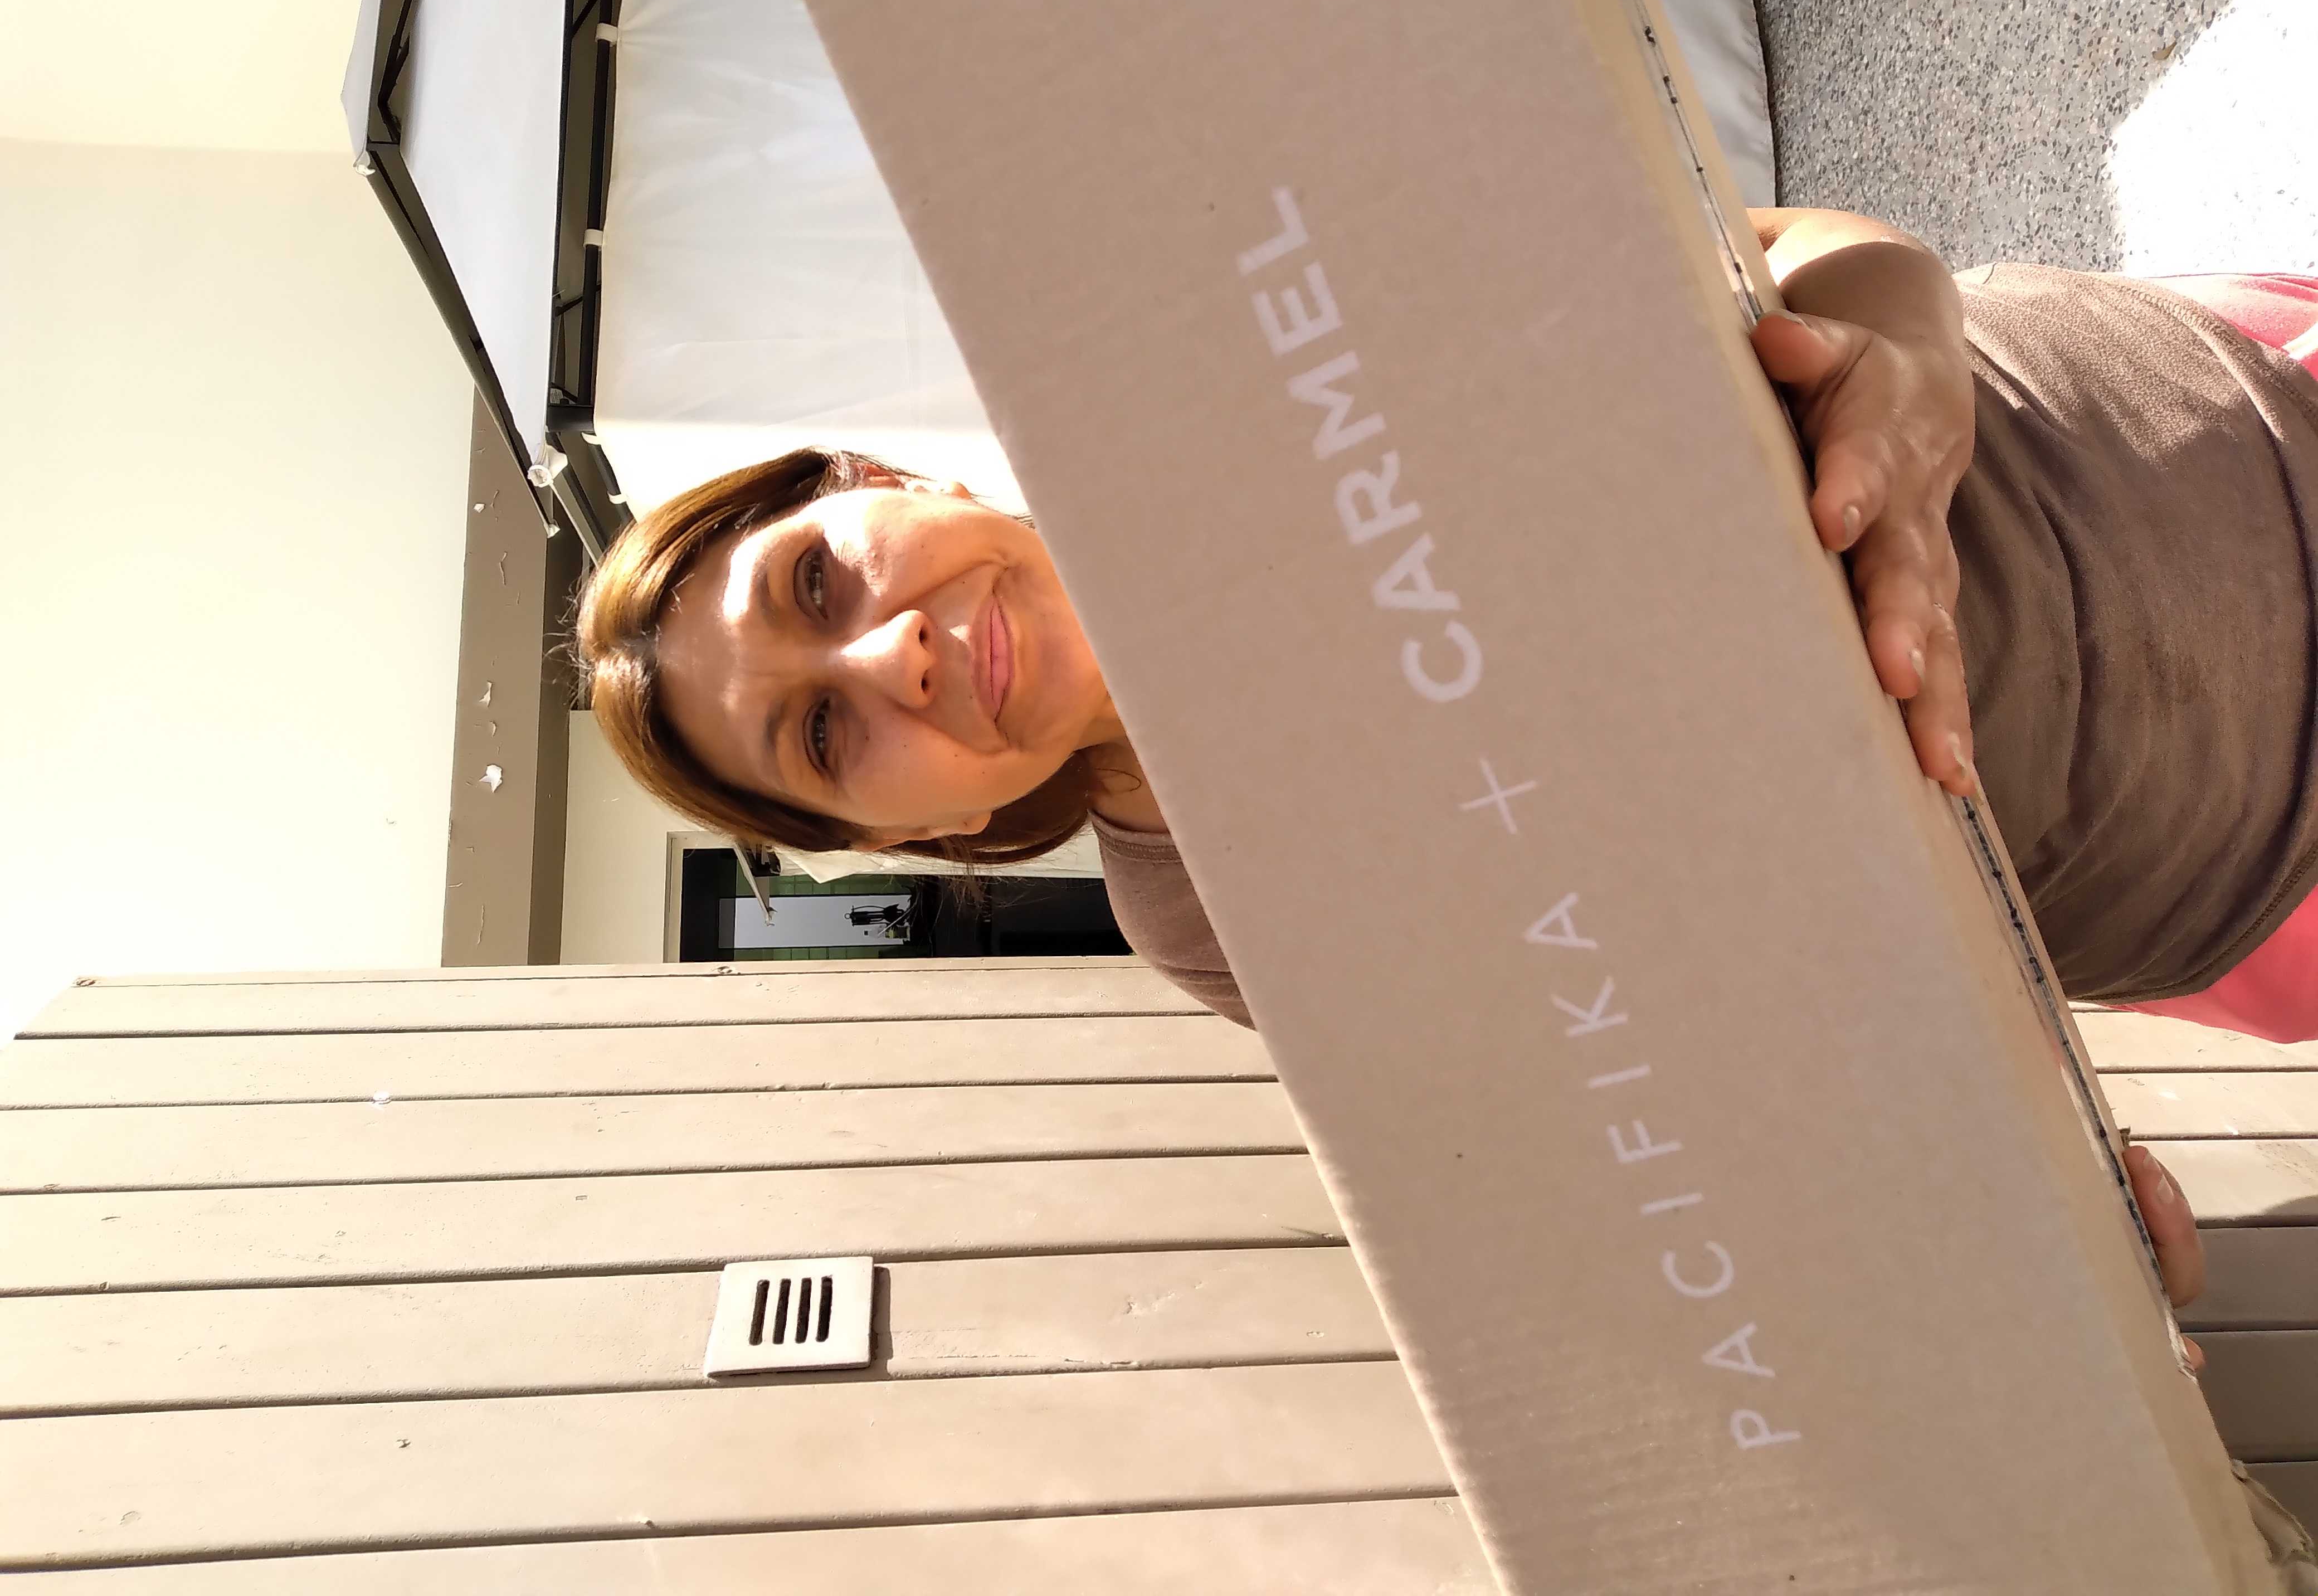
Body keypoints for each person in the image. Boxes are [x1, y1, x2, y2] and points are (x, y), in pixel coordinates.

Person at [577, 208, 2318, 1381]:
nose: (886, 656)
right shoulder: (1209, 914)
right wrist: (2008, 1199)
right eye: (825, 739)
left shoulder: (1218, 347)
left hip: (2212, 434)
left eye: (816, 580)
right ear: (925, 836)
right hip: (2239, 862)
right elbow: (1667, 1067)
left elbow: (1777, 244)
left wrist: (1904, 358)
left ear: (880, 477)